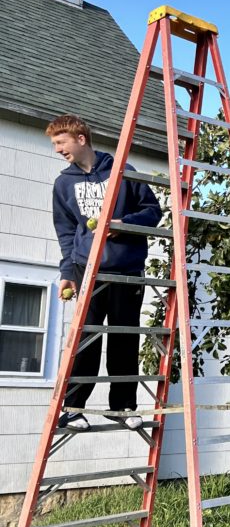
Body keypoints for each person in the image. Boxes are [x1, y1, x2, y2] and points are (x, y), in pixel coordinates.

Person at [47, 115, 161, 431]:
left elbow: (153, 212)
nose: (58, 150)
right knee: (88, 337)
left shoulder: (124, 171)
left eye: (61, 142)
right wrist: (68, 271)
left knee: (124, 337)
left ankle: (123, 406)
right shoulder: (64, 184)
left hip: (126, 268)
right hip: (88, 269)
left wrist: (127, 225)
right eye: (55, 144)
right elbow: (67, 232)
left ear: (81, 138)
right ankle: (73, 407)